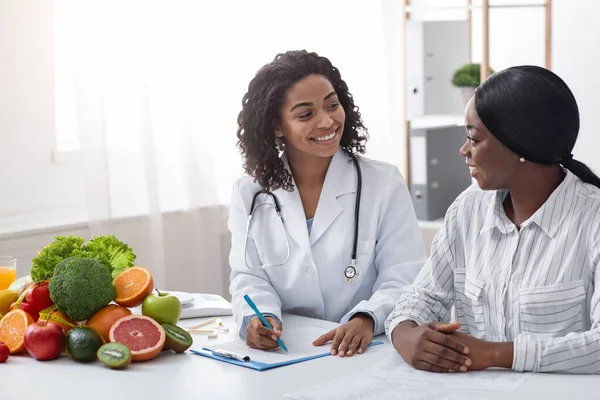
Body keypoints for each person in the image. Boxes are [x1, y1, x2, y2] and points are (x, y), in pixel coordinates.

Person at [386, 65, 600, 374]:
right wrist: (404, 332)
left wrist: (496, 354)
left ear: (521, 145)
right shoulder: (467, 209)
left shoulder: (591, 219)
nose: (464, 151)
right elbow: (423, 295)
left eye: (474, 139)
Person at [229, 50, 426, 357]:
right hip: (288, 349)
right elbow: (248, 275)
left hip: (365, 347)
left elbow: (405, 274)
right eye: (305, 114)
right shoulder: (250, 192)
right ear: (277, 126)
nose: (327, 121)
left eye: (332, 105)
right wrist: (259, 317)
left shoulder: (382, 182)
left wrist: (366, 318)